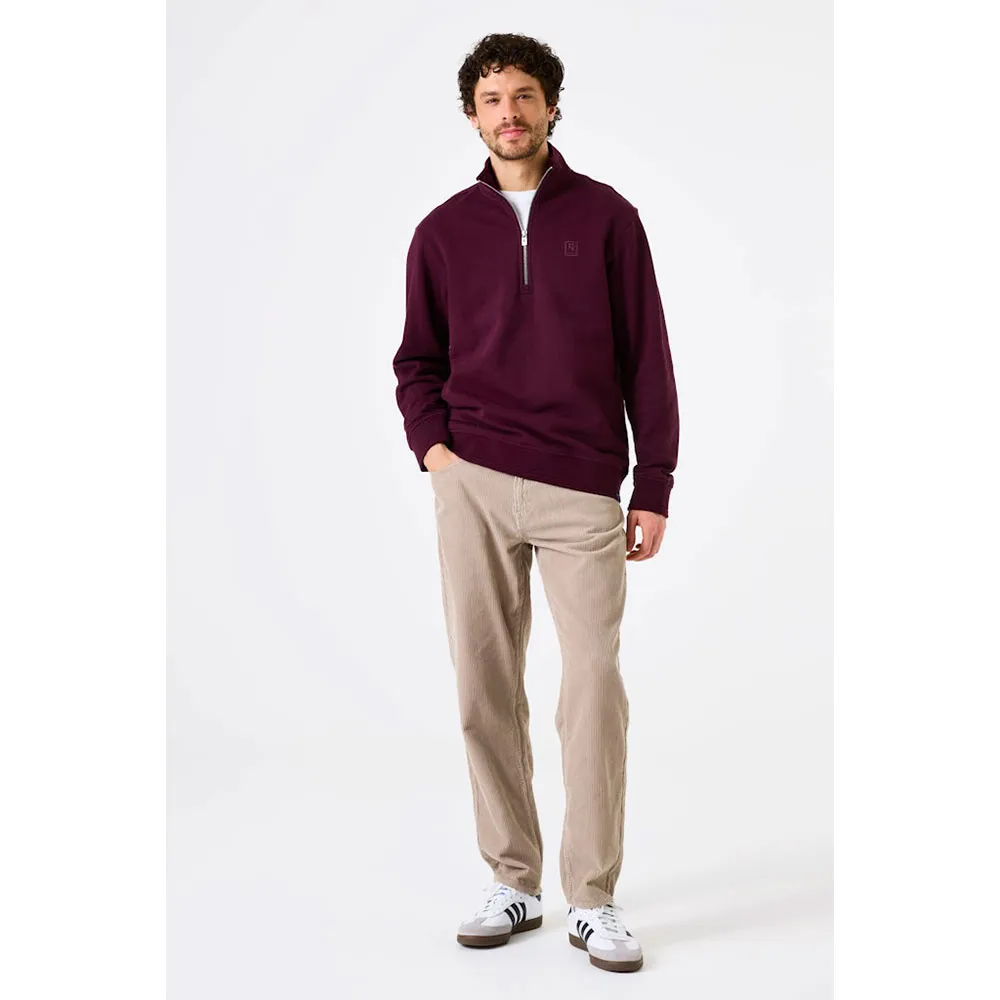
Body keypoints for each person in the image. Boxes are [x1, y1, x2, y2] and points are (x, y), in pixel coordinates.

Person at [392, 32, 679, 975]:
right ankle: (512, 880)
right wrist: (435, 450)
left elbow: (647, 356)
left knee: (591, 685)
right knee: (483, 685)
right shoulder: (441, 231)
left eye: (523, 95)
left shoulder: (607, 217)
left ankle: (592, 896)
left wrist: (653, 482)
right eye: (491, 99)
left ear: (552, 105)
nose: (508, 112)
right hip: (471, 480)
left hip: (580, 484)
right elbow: (417, 359)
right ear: (471, 116)